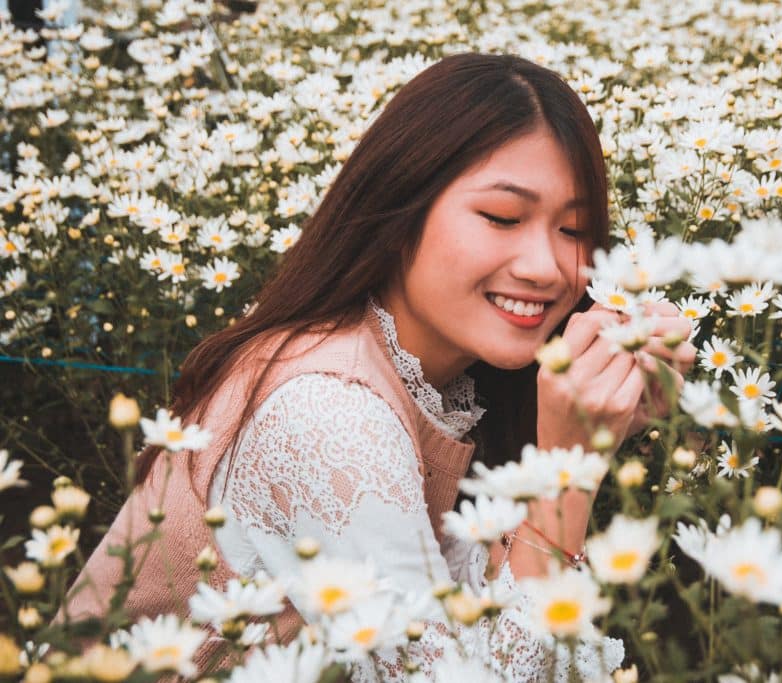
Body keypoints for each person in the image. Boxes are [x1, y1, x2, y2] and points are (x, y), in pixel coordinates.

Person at [64, 52, 695, 680]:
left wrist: (595, 417)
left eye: (575, 228)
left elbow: (472, 629)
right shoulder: (330, 412)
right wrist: (568, 472)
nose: (546, 266)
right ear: (399, 212)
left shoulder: (443, 385)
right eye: (502, 217)